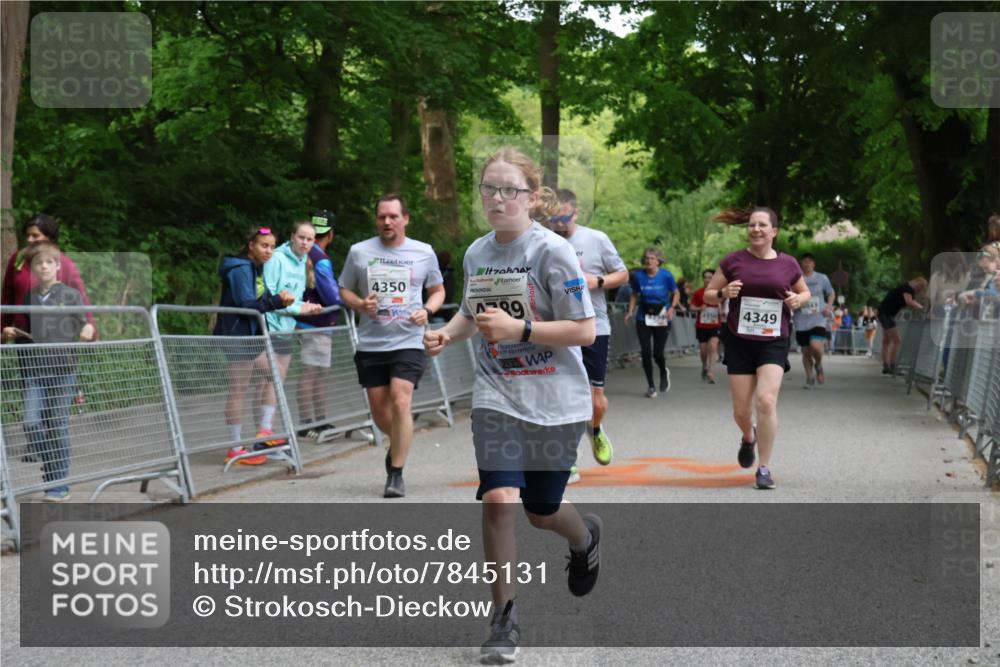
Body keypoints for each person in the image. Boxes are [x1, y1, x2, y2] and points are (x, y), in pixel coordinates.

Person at [424, 147, 602, 661]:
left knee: (541, 512)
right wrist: (448, 335)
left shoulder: (552, 252)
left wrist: (521, 328)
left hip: (554, 398)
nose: (498, 199)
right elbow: (470, 310)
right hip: (496, 391)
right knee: (499, 500)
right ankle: (504, 621)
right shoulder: (478, 252)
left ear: (531, 196)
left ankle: (584, 536)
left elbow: (585, 330)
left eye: (510, 190)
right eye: (489, 189)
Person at [339, 193, 445, 498]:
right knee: (382, 415)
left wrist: (429, 309)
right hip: (372, 341)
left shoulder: (423, 252)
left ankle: (395, 474)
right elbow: (344, 289)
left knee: (401, 400)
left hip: (409, 338)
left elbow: (437, 290)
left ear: (405, 218)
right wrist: (360, 304)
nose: (387, 221)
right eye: (382, 216)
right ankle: (399, 440)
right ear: (377, 219)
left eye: (393, 216)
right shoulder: (359, 252)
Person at [702, 206, 810, 490]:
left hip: (773, 340)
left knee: (766, 400)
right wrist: (724, 293)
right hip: (739, 340)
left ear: (774, 231)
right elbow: (709, 295)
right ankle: (748, 436)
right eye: (752, 225)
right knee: (740, 411)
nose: (756, 229)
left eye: (762, 225)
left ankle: (764, 467)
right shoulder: (733, 261)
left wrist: (800, 300)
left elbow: (805, 291)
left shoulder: (788, 264)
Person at [2, 242, 96, 501]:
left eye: (48, 262)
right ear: (31, 269)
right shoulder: (29, 297)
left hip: (63, 369)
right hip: (35, 369)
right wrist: (10, 332)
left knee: (57, 425)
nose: (43, 266)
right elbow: (30, 331)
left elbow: (83, 323)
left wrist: (86, 330)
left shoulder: (69, 294)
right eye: (37, 263)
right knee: (31, 423)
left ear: (57, 266)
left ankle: (58, 483)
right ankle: (53, 464)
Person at [545, 187, 628, 472]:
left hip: (594, 326)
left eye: (563, 217)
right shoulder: (541, 242)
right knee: (561, 394)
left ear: (575, 212)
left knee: (595, 399)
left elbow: (623, 274)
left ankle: (594, 429)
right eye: (553, 218)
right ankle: (567, 459)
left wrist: (599, 281)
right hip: (556, 328)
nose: (558, 223)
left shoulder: (596, 239)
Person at [213, 227, 299, 465]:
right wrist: (275, 301)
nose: (268, 251)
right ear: (251, 245)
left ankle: (264, 433)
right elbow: (246, 304)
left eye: (272, 246)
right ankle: (235, 447)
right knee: (238, 389)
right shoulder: (240, 268)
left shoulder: (257, 269)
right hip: (238, 336)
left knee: (275, 372)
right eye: (263, 245)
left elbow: (263, 299)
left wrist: (281, 300)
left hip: (252, 336)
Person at [255, 221, 323, 452]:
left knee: (275, 382)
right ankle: (263, 435)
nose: (305, 242)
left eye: (309, 239)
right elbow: (271, 296)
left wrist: (307, 306)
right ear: (292, 236)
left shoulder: (303, 260)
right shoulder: (277, 258)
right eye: (301, 237)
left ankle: (265, 435)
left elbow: (293, 297)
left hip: (286, 328)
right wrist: (299, 309)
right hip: (269, 327)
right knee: (270, 380)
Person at [293, 210, 342, 440]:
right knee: (314, 372)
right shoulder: (320, 259)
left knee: (315, 372)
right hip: (317, 324)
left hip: (304, 322)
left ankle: (317, 420)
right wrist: (347, 302)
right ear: (330, 234)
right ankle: (310, 423)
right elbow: (332, 296)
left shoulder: (301, 252)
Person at [2, 214, 94, 335]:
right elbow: (7, 297)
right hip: (24, 335)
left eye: (35, 235)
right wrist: (2, 329)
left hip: (57, 336)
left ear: (49, 237)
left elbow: (80, 297)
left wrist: (89, 328)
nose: (29, 239)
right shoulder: (18, 259)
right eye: (28, 235)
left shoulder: (63, 262)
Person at [624, 247, 679, 398]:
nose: (649, 261)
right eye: (647, 258)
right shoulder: (638, 276)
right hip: (643, 316)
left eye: (652, 258)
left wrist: (672, 308)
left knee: (657, 353)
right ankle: (651, 386)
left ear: (659, 261)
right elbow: (634, 295)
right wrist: (630, 311)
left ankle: (663, 370)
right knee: (646, 351)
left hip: (661, 315)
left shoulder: (666, 276)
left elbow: (676, 292)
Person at [792, 253, 835, 387]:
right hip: (801, 320)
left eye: (810, 261)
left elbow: (831, 293)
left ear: (813, 264)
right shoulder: (795, 279)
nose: (807, 264)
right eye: (804, 261)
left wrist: (828, 307)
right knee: (806, 351)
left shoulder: (822, 278)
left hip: (818, 319)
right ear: (800, 264)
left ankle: (819, 365)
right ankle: (809, 377)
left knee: (815, 346)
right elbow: (790, 295)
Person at [876, 277, 927, 375]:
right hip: (887, 315)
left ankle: (886, 365)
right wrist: (921, 307)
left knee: (886, 341)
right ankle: (892, 365)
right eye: (919, 288)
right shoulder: (908, 288)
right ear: (918, 284)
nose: (918, 291)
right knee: (897, 340)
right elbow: (909, 301)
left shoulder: (904, 287)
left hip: (884, 313)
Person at [690, 268, 723, 383]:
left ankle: (711, 371)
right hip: (702, 325)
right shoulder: (698, 292)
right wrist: (699, 308)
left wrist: (722, 309)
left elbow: (727, 306)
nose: (707, 280)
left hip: (715, 325)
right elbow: (692, 307)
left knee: (713, 346)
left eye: (710, 277)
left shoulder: (720, 292)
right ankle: (704, 365)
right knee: (703, 350)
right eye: (705, 277)